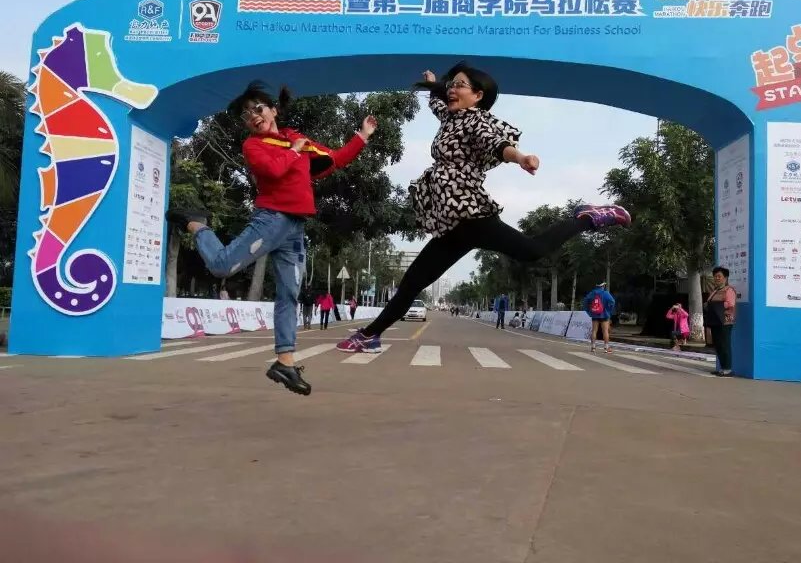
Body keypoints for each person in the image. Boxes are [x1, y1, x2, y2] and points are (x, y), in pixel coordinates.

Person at [336, 62, 631, 352]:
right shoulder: (450, 116)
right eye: (451, 85)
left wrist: (520, 158)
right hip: (451, 224)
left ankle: (588, 218)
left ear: (478, 95)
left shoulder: (476, 121)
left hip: (471, 214)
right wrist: (435, 84)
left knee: (533, 250)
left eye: (460, 85)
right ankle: (370, 335)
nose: (452, 90)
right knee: (412, 281)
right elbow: (437, 102)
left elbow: (496, 144)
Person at [166, 82, 377, 395]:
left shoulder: (296, 139)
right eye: (246, 115)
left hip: (295, 228)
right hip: (271, 220)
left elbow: (333, 159)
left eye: (258, 108)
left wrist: (362, 136)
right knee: (222, 266)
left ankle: (285, 363)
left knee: (289, 295)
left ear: (273, 110)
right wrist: (294, 152)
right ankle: (197, 225)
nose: (253, 116)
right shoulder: (254, 145)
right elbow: (273, 171)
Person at [704, 266, 737, 377]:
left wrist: (716, 305)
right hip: (715, 321)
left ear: (725, 278)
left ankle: (728, 369)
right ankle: (722, 368)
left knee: (724, 345)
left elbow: (730, 304)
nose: (717, 278)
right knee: (718, 345)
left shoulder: (729, 290)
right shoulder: (715, 291)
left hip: (725, 321)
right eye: (715, 276)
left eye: (719, 276)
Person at [582, 282, 616, 353]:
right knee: (605, 331)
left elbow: (585, 302)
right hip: (604, 315)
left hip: (594, 314)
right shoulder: (605, 293)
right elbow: (612, 301)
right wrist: (609, 310)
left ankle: (593, 347)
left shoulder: (592, 293)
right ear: (603, 286)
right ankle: (606, 348)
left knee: (594, 331)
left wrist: (589, 311)